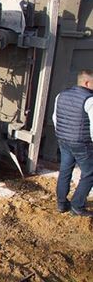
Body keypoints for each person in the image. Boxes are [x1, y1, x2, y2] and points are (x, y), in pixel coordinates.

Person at [52, 69, 93, 217]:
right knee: (89, 174)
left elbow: (55, 118)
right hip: (82, 143)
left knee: (65, 171)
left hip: (63, 140)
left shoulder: (61, 95)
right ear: (87, 82)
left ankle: (61, 204)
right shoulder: (90, 99)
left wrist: (61, 135)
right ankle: (77, 206)